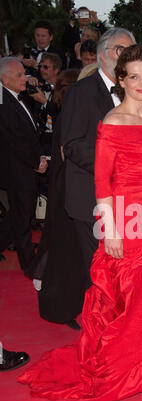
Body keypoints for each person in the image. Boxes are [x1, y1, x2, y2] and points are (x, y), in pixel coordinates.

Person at [18, 43, 142, 401]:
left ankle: (140, 365)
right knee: (126, 298)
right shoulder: (113, 122)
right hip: (124, 220)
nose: (141, 83)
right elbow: (101, 180)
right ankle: (118, 367)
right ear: (122, 81)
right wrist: (110, 229)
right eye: (134, 76)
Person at [61, 28, 135, 290]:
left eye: (131, 51)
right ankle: (102, 327)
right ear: (103, 56)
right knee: (100, 271)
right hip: (89, 199)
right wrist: (114, 164)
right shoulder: (80, 92)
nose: (128, 56)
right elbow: (71, 144)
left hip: (126, 200)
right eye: (121, 50)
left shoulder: (134, 92)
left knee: (121, 268)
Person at [27, 69, 86, 330]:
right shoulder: (68, 118)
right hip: (68, 193)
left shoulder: (69, 115)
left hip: (68, 191)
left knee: (66, 250)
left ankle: (62, 303)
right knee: (64, 251)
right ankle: (59, 305)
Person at [0, 57, 47, 274]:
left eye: (24, 73)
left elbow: (31, 133)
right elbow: (15, 141)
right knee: (22, 216)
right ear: (4, 80)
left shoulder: (20, 97)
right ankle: (29, 264)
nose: (24, 78)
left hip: (26, 166)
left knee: (18, 216)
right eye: (19, 75)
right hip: (17, 169)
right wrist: (36, 162)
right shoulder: (3, 104)